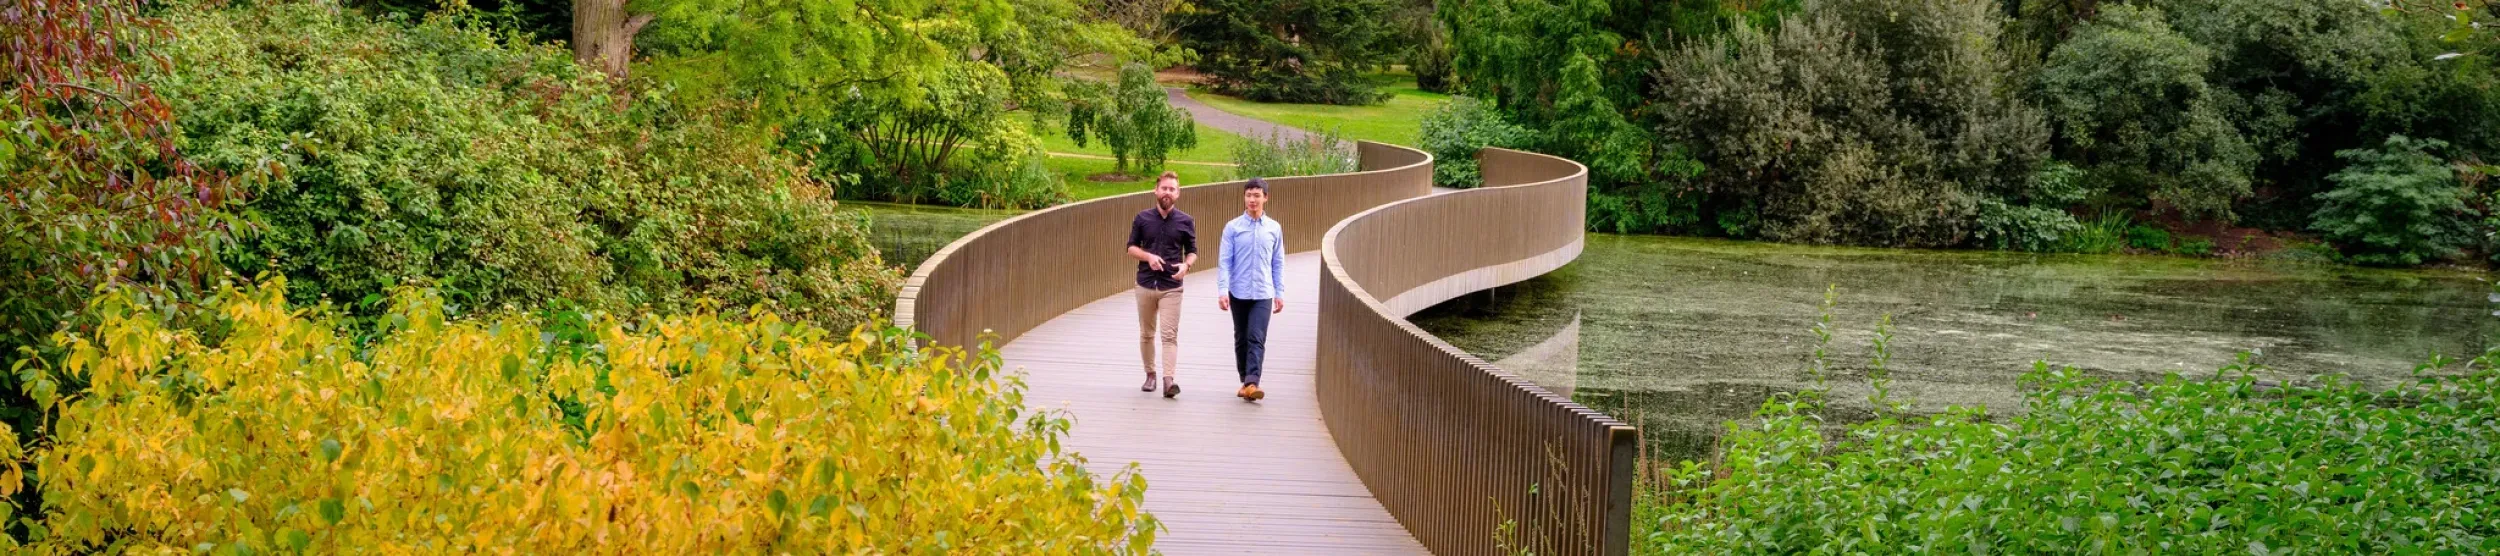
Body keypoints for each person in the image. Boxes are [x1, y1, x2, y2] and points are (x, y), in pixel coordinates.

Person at [1127, 171, 1197, 398]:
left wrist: (1186, 266)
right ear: (1156, 191)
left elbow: (1193, 252)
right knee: (1147, 333)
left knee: (1169, 335)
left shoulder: (1186, 221)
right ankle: (1150, 375)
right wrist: (1148, 257)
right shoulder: (1142, 218)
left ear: (1178, 193)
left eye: (1172, 189)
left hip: (1172, 286)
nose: (1167, 193)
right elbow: (1131, 248)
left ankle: (1169, 381)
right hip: (1146, 284)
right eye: (1164, 188)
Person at [1216, 178, 1285, 401]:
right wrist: (1222, 290)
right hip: (1239, 291)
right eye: (1249, 195)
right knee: (1241, 338)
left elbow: (1278, 262)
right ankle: (1245, 380)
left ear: (1266, 197)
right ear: (1244, 198)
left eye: (1257, 195)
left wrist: (1279, 293)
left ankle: (1253, 382)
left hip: (1263, 292)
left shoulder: (1274, 228)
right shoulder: (1233, 227)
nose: (1252, 200)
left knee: (1257, 337)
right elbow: (1225, 261)